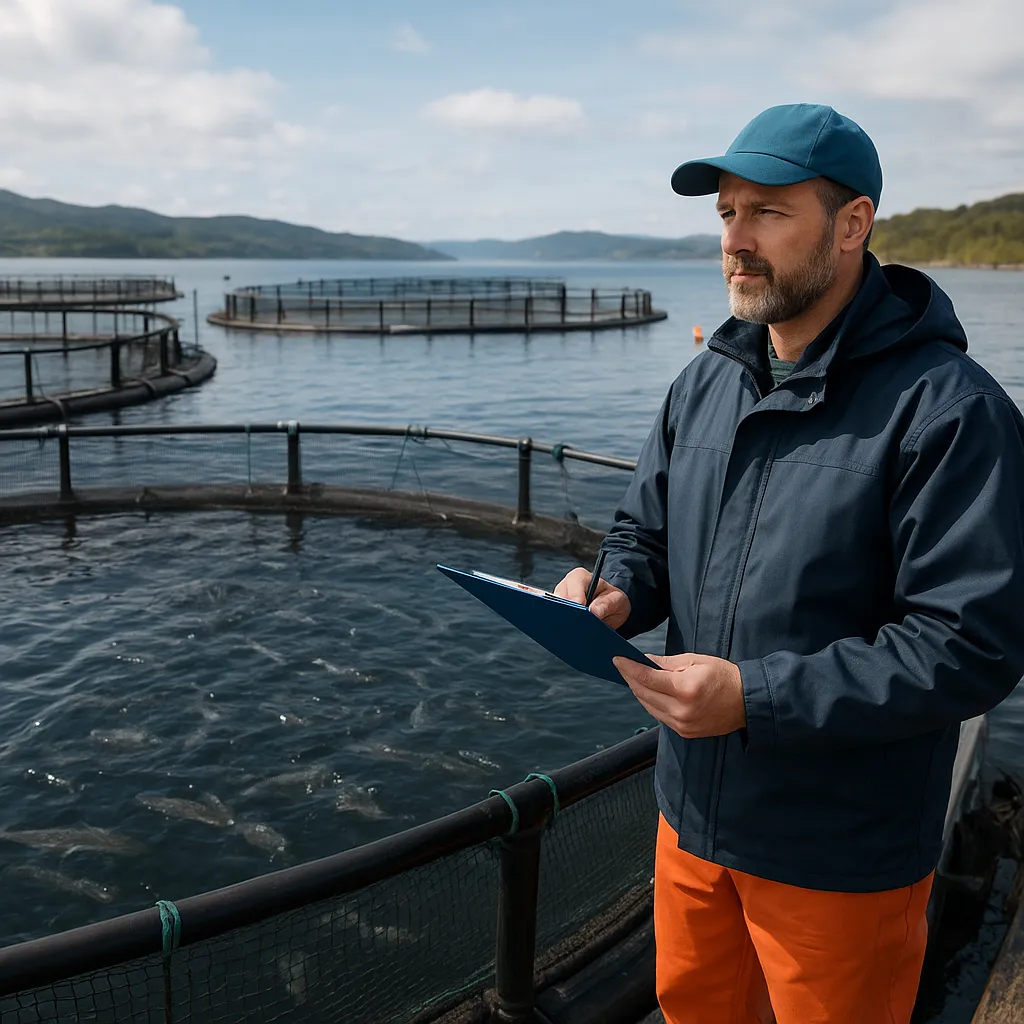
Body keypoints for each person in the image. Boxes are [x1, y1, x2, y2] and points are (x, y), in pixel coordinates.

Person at [554, 103, 1024, 1024]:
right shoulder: (706, 379)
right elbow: (643, 533)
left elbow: (971, 643)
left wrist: (753, 698)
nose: (737, 239)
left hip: (840, 854)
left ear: (854, 225)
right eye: (728, 213)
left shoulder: (949, 411)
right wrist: (612, 588)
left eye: (768, 212)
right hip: (690, 821)